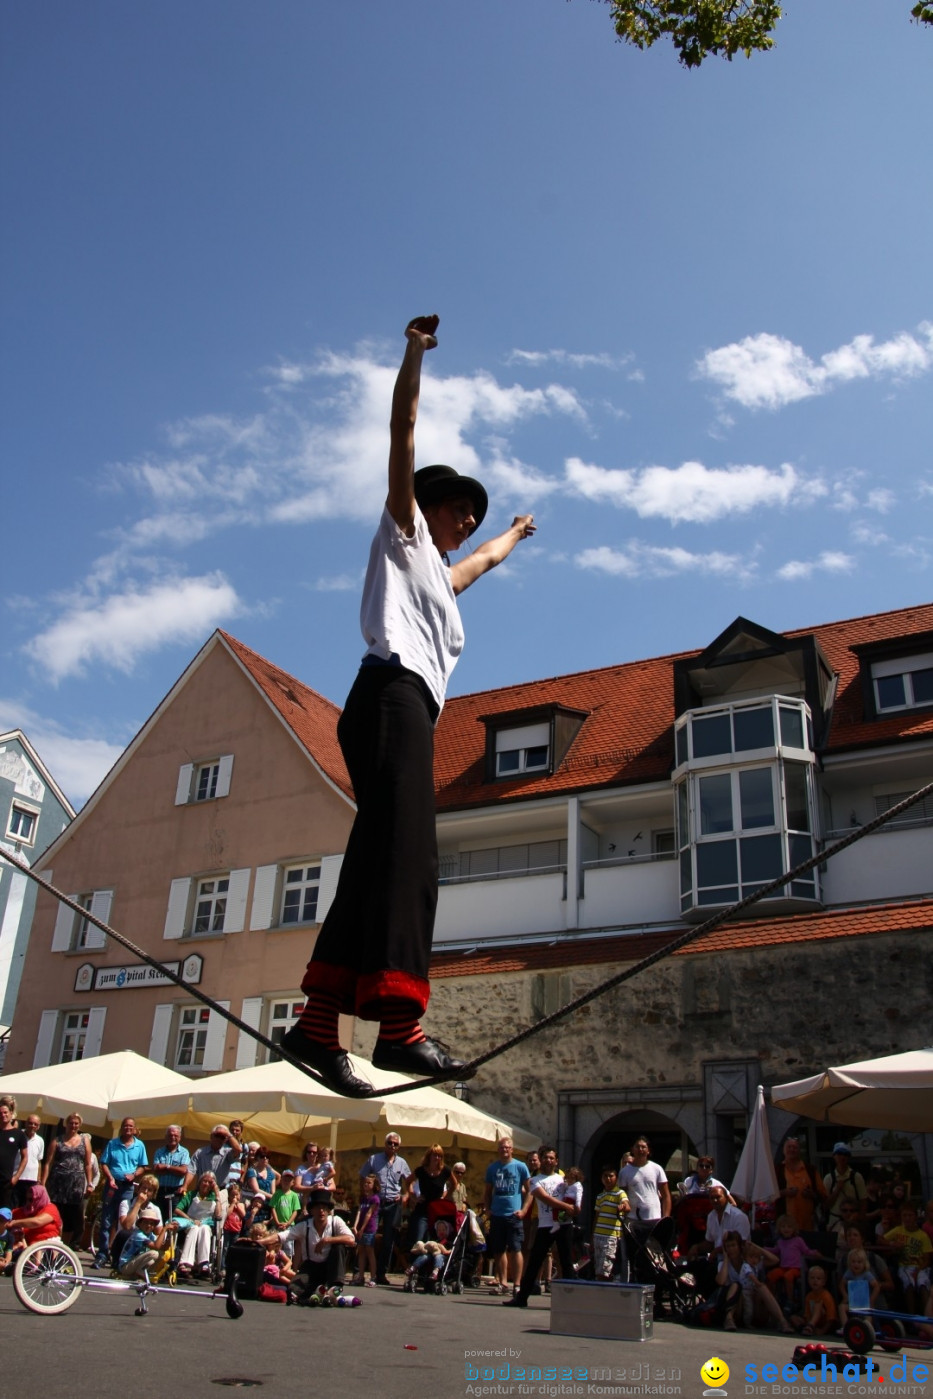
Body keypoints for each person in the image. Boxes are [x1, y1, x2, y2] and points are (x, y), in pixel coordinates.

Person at [282, 314, 536, 1097]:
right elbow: (403, 428)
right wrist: (412, 354)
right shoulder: (401, 532)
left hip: (410, 710)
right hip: (387, 694)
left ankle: (320, 1024)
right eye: (460, 507)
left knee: (386, 856)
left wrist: (516, 536)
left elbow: (483, 564)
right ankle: (396, 1027)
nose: (468, 521)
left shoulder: (443, 579)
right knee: (411, 860)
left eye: (474, 516)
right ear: (427, 502)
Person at [504, 1147, 572, 1308]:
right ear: (541, 1160)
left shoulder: (563, 1178)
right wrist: (566, 1207)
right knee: (534, 1262)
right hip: (545, 1224)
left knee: (566, 1262)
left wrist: (573, 1207)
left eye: (551, 1158)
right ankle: (522, 1297)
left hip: (564, 1224)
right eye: (546, 1158)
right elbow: (545, 1198)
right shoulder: (535, 1180)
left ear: (556, 1161)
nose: (549, 1161)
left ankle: (571, 1299)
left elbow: (573, 1194)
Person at [94, 1117, 147, 1268]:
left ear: (135, 1129)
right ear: (122, 1128)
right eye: (125, 1126)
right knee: (106, 1221)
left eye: (131, 1126)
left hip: (128, 1187)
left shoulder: (139, 1146)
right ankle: (102, 1255)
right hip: (112, 1185)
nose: (128, 1128)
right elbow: (104, 1163)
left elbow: (143, 1166)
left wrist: (134, 1175)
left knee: (125, 1222)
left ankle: (119, 1254)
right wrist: (110, 1178)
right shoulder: (112, 1143)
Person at [360, 1133, 411, 1285]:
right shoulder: (374, 1159)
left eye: (395, 1144)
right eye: (390, 1143)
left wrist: (405, 1195)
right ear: (385, 1143)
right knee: (368, 1236)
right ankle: (360, 1271)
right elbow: (362, 1176)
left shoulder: (402, 1163)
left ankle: (381, 1273)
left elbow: (410, 1182)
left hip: (392, 1204)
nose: (392, 1146)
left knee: (389, 1240)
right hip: (375, 1202)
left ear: (399, 1147)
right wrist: (364, 1194)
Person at [483, 1136, 530, 1296]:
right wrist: (488, 1209)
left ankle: (516, 1284)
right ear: (498, 1149)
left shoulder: (520, 1166)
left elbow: (530, 1191)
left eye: (507, 1147)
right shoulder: (492, 1168)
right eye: (502, 1147)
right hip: (497, 1214)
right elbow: (488, 1192)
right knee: (498, 1250)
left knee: (516, 1248)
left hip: (513, 1214)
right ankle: (503, 1282)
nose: (505, 1150)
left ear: (512, 1149)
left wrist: (523, 1210)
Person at [287, 1190, 354, 1297]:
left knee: (339, 1246)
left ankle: (335, 1287)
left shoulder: (335, 1221)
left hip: (329, 1267)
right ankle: (315, 1291)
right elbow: (282, 1236)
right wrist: (259, 1241)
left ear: (328, 1210)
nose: (321, 1211)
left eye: (324, 1208)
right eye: (318, 1208)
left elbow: (351, 1240)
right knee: (292, 1289)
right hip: (310, 1267)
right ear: (312, 1211)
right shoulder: (305, 1225)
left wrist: (327, 1240)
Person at [41, 1111, 93, 1246]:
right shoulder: (57, 1140)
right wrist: (42, 1183)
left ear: (79, 1125)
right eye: (71, 1123)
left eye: (76, 1123)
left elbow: (88, 1164)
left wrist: (90, 1183)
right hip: (57, 1183)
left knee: (71, 1219)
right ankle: (53, 1245)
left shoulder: (84, 1141)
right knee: (56, 1215)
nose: (73, 1126)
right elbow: (48, 1163)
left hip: (76, 1185)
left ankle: (64, 1247)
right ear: (66, 1124)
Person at [619, 1137, 673, 1248]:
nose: (640, 1149)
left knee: (655, 1254)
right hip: (633, 1220)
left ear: (648, 1151)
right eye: (637, 1147)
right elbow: (622, 1196)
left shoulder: (656, 1168)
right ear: (632, 1150)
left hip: (654, 1218)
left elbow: (666, 1195)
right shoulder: (624, 1172)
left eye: (643, 1147)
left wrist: (665, 1218)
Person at [175, 1171, 222, 1278]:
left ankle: (204, 1263)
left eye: (210, 1182)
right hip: (191, 1223)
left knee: (204, 1228)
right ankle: (185, 1262)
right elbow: (177, 1209)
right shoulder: (191, 1194)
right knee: (195, 1229)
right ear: (200, 1182)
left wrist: (217, 1194)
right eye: (204, 1181)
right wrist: (191, 1220)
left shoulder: (214, 1197)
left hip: (206, 1224)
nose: (206, 1184)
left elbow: (218, 1215)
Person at [776, 1137, 825, 1234]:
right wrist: (784, 1192)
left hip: (807, 1225)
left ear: (799, 1151)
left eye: (795, 1147)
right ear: (784, 1151)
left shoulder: (810, 1170)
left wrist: (812, 1195)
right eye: (789, 1147)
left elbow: (822, 1195)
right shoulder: (776, 1170)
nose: (792, 1150)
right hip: (785, 1228)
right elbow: (768, 1195)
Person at [406, 1144, 452, 1247]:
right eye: (434, 1155)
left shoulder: (445, 1170)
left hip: (437, 1211)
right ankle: (415, 1262)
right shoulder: (421, 1171)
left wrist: (445, 1197)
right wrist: (413, 1197)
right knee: (419, 1241)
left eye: (439, 1156)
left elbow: (454, 1184)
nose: (437, 1158)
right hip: (422, 1210)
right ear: (429, 1156)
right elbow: (408, 1182)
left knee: (433, 1243)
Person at [185, 1123, 242, 1201]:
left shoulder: (227, 1153)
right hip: (202, 1191)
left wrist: (228, 1134)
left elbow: (238, 1150)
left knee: (220, 1213)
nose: (219, 1139)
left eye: (222, 1137)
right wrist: (185, 1186)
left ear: (225, 1139)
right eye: (217, 1135)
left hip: (220, 1191)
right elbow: (191, 1171)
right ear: (211, 1136)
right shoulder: (200, 1152)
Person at [592, 1165, 630, 1281]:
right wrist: (592, 1234)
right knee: (598, 1266)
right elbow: (597, 1216)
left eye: (611, 1176)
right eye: (605, 1176)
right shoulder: (600, 1196)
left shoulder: (620, 1193)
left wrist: (622, 1207)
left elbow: (627, 1206)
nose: (608, 1179)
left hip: (611, 1236)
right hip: (598, 1235)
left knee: (605, 1267)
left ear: (616, 1178)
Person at [118, 1204, 176, 1281]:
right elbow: (156, 1246)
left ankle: (143, 1272)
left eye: (152, 1224)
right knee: (154, 1253)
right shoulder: (138, 1235)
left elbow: (163, 1248)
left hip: (134, 1263)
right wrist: (164, 1229)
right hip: (125, 1266)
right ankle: (140, 1273)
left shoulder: (150, 1235)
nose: (149, 1226)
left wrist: (173, 1233)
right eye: (146, 1223)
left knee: (161, 1253)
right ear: (140, 1223)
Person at [822, 1142, 867, 1231]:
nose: (842, 1157)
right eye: (839, 1154)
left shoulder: (857, 1177)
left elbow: (863, 1201)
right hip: (834, 1221)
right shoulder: (828, 1178)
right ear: (834, 1156)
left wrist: (860, 1218)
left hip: (853, 1221)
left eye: (845, 1154)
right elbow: (825, 1205)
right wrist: (837, 1190)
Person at [152, 1124, 191, 1214]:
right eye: (170, 1135)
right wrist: (175, 1169)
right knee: (159, 1216)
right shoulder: (159, 1151)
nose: (172, 1137)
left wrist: (166, 1167)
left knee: (174, 1217)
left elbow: (183, 1171)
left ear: (180, 1137)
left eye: (175, 1135)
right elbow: (156, 1169)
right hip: (160, 1191)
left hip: (176, 1191)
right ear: (166, 1137)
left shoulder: (184, 1152)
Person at [792, 1263, 838, 1336]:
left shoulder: (826, 1295)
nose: (815, 1280)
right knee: (794, 1318)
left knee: (818, 1305)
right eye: (812, 1278)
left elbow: (831, 1318)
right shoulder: (809, 1296)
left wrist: (822, 1331)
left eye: (818, 1278)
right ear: (808, 1280)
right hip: (813, 1322)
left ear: (823, 1282)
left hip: (824, 1324)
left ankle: (810, 1326)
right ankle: (806, 1328)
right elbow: (807, 1315)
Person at [351, 1173, 380, 1286]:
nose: (366, 1185)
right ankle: (361, 1276)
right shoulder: (363, 1199)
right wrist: (355, 1225)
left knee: (369, 1251)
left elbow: (369, 1214)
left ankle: (373, 1277)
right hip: (360, 1229)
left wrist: (362, 1228)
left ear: (374, 1185)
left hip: (369, 1228)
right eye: (365, 1182)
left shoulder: (375, 1199)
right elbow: (359, 1211)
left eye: (369, 1183)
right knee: (361, 1251)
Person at [0, 1096, 28, 1209]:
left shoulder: (19, 1134)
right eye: (0, 1113)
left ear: (11, 1113)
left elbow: (25, 1157)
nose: (3, 1115)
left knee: (3, 1214)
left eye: (5, 1112)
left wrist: (16, 1177)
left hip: (6, 1181)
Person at [13, 1113, 45, 1206]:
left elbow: (39, 1161)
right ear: (26, 1123)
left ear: (38, 1127)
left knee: (27, 1207)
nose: (32, 1126)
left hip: (32, 1179)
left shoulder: (40, 1140)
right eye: (30, 1123)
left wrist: (39, 1179)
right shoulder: (18, 1135)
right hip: (17, 1177)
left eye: (35, 1124)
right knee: (14, 1206)